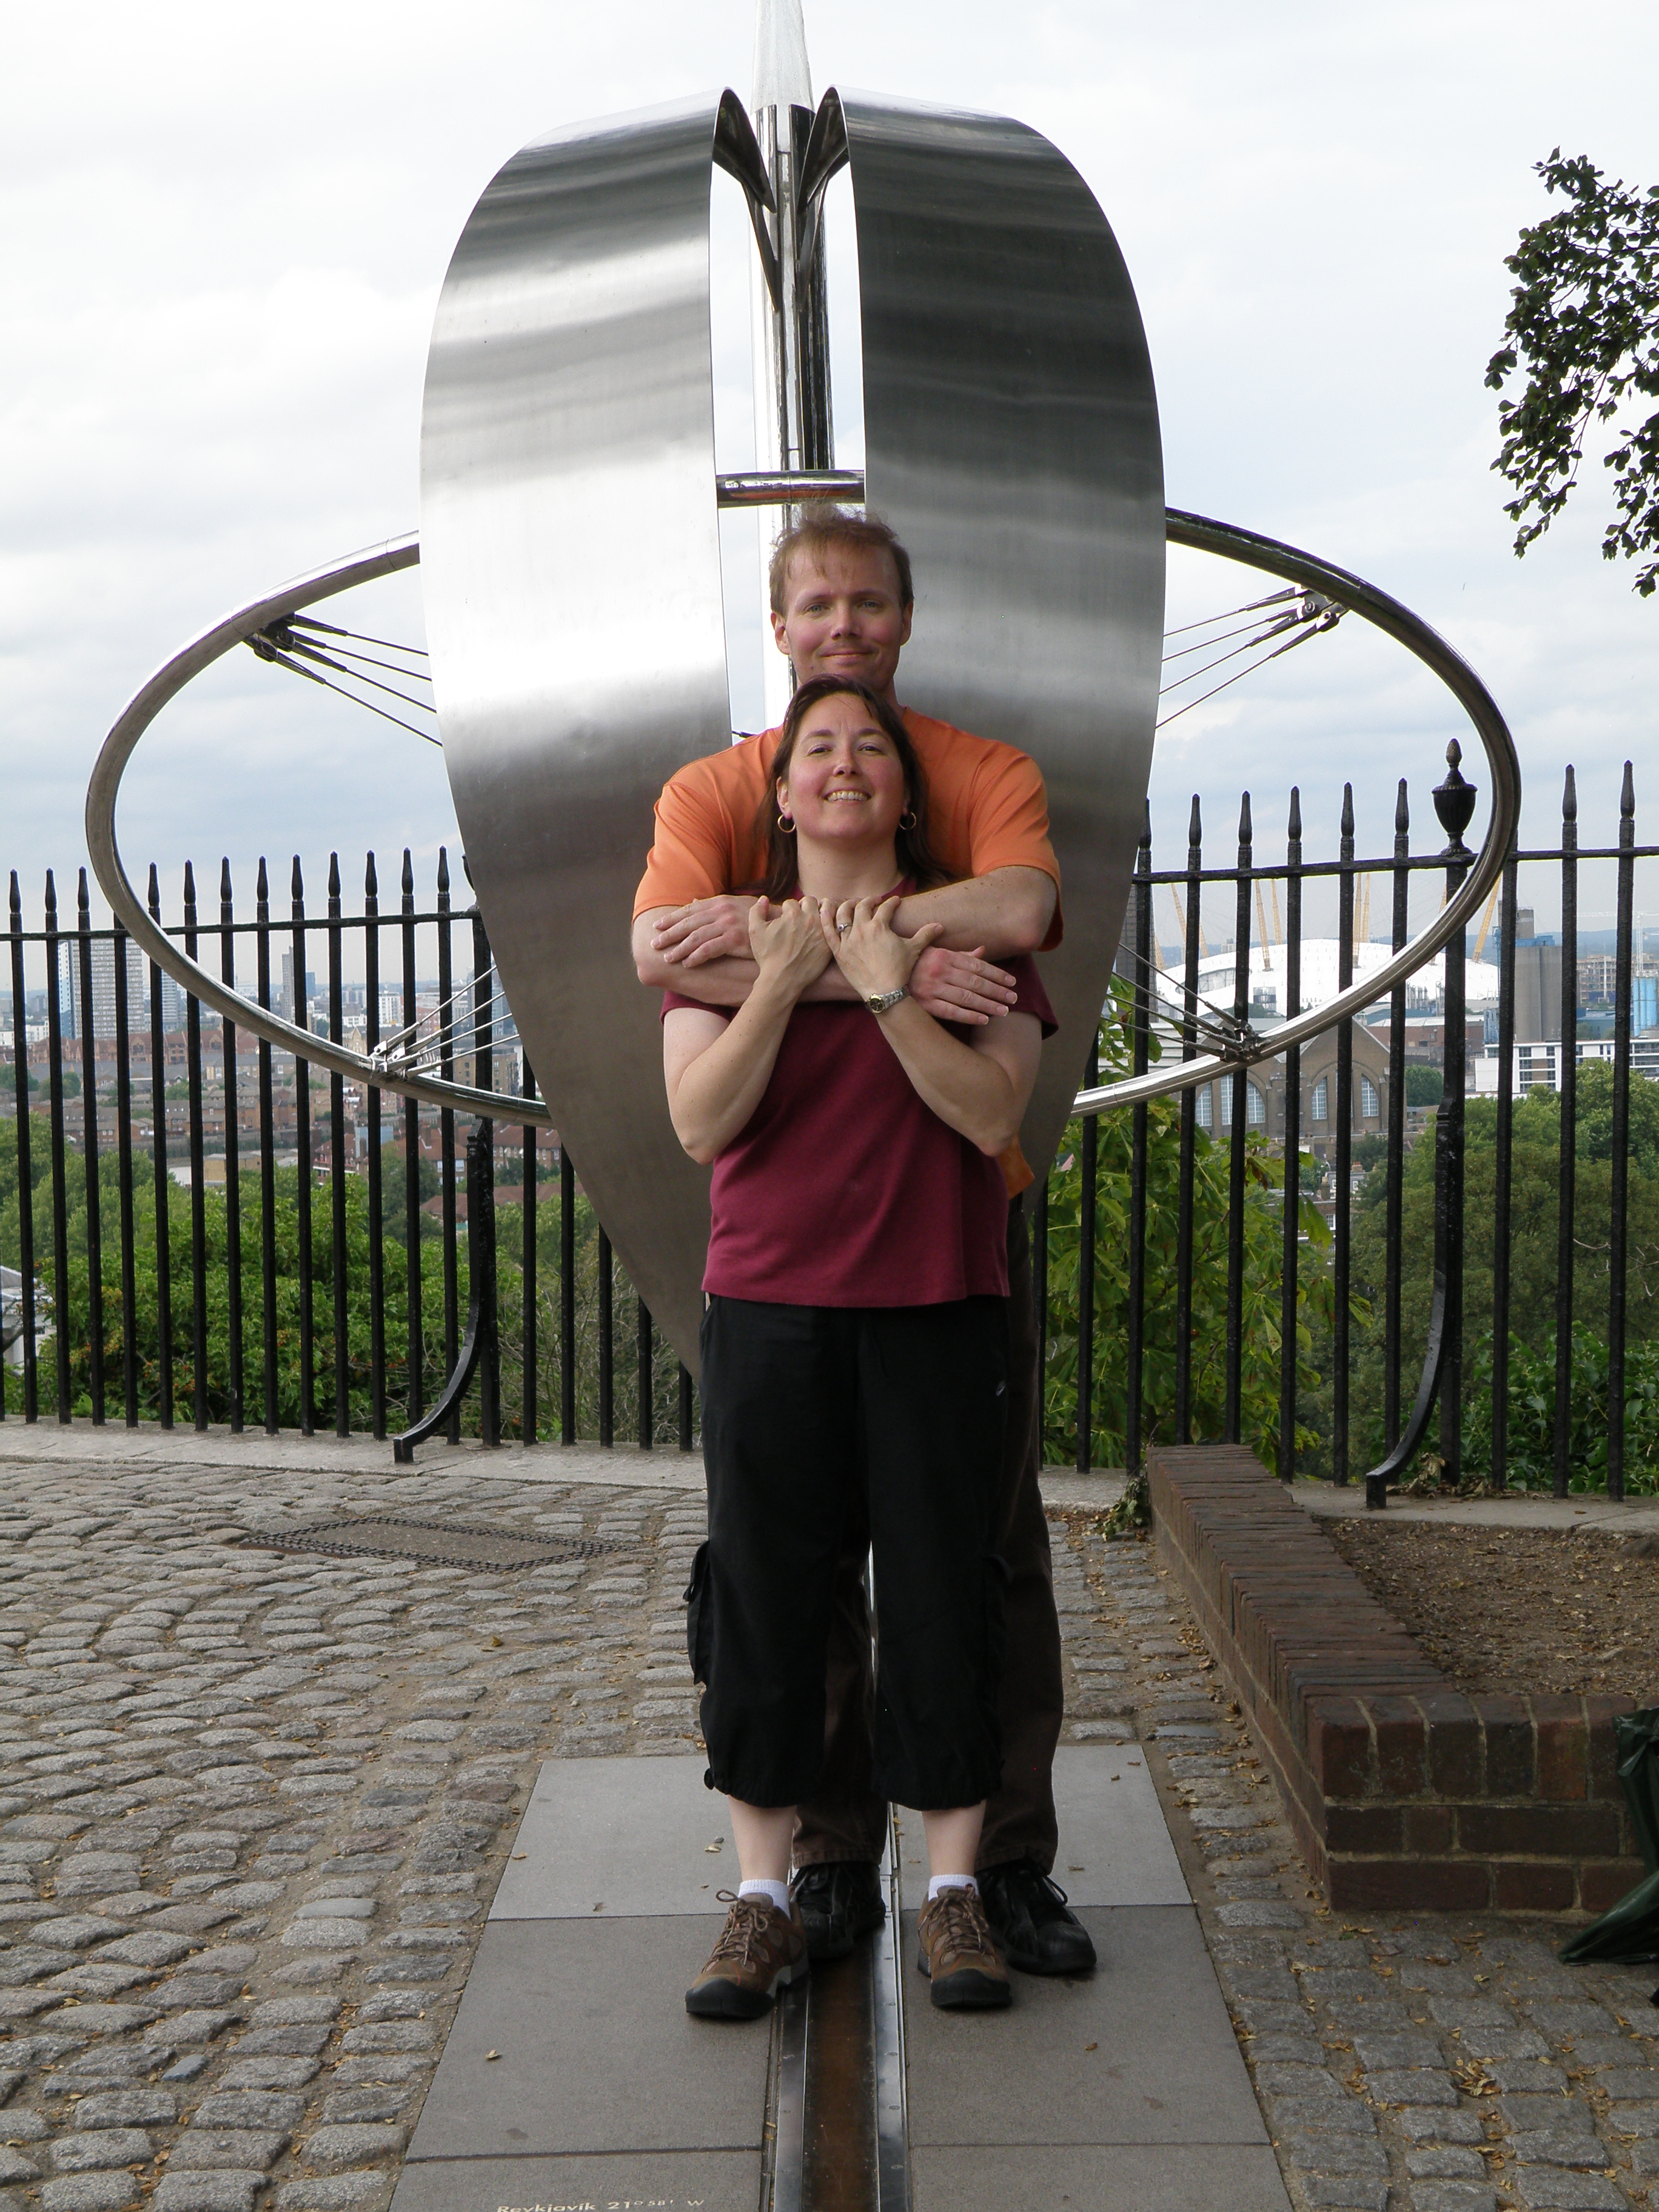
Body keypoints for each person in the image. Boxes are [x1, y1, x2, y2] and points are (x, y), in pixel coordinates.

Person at [634, 506, 1096, 1980]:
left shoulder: (980, 779)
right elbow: (665, 969)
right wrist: (851, 965)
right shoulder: (715, 790)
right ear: (778, 629)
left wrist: (859, 962)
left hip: (939, 1279)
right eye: (815, 606)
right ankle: (801, 1884)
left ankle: (984, 1878)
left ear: (905, 620)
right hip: (775, 1291)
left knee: (966, 1570)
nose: (842, 633)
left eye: (868, 606)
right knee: (777, 1582)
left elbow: (1022, 912)